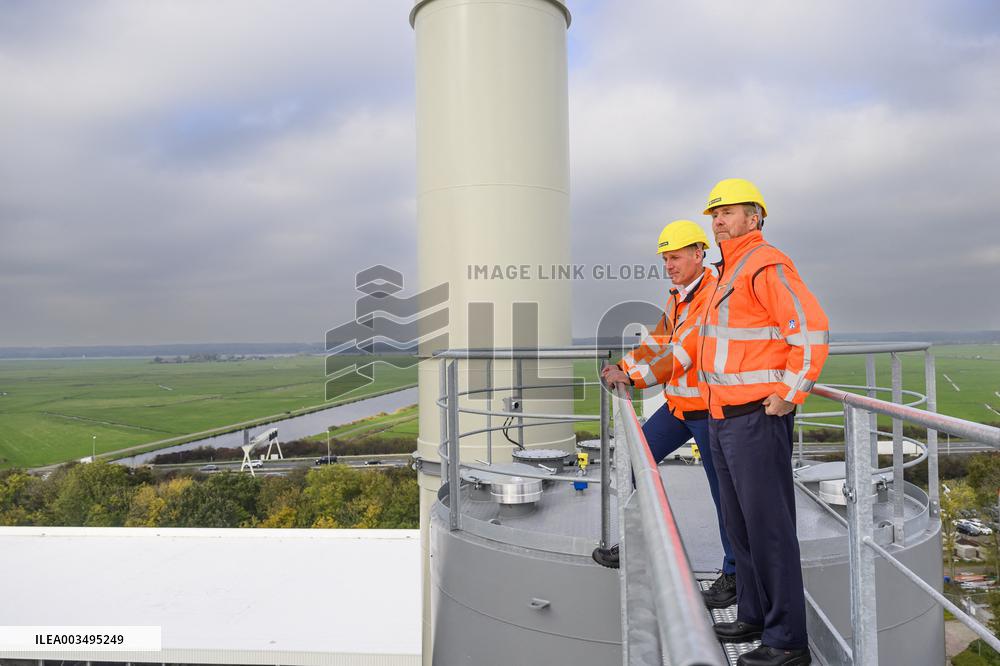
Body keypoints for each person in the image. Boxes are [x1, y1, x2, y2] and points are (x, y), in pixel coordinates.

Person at [698, 179, 829, 666]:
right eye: (714, 214)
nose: (718, 221)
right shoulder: (725, 273)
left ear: (754, 218)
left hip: (755, 418)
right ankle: (753, 614)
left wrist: (788, 395)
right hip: (720, 418)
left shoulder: (765, 264)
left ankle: (787, 641)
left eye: (728, 212)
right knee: (741, 527)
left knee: (770, 530)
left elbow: (811, 330)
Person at [597, 219, 738, 610]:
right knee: (634, 461)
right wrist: (622, 365)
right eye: (665, 259)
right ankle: (637, 544)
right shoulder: (678, 296)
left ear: (698, 253)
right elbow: (660, 339)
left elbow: (682, 353)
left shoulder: (712, 294)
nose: (669, 265)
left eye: (675, 257)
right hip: (679, 408)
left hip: (710, 411)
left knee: (724, 495)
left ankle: (735, 575)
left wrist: (633, 377)